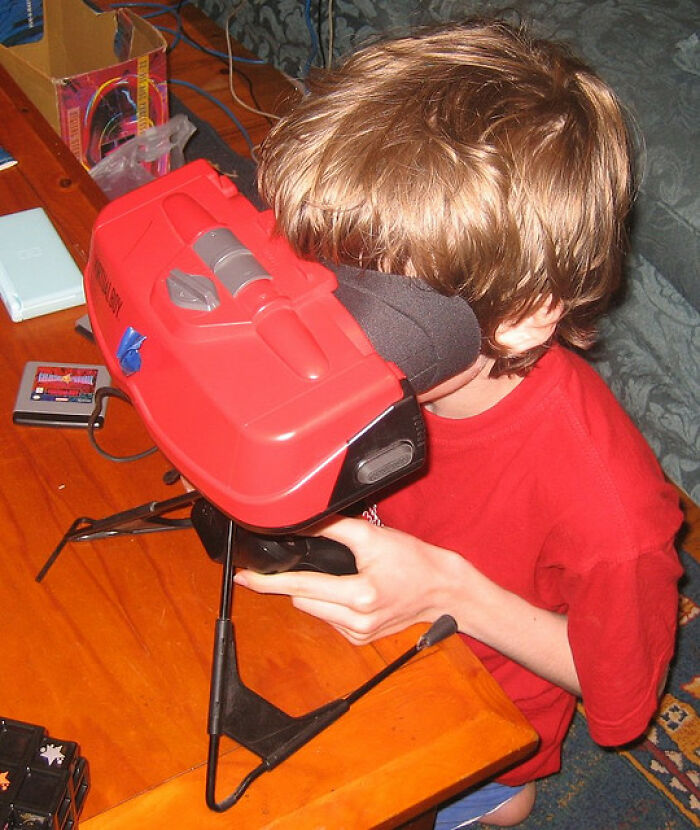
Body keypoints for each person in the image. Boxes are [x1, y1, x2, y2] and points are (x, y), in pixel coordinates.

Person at [233, 18, 683, 827]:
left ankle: (500, 796)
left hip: (472, 690)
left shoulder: (610, 509)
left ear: (520, 317)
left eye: (374, 308)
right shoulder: (383, 362)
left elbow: (621, 692)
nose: (326, 326)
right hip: (355, 600)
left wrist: (452, 592)